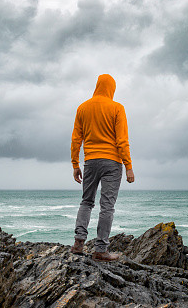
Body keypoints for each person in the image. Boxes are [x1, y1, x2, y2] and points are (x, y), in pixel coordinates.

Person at [70, 74, 134, 262]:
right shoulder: (117, 108)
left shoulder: (83, 107)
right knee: (107, 206)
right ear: (111, 88)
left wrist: (75, 164)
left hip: (90, 161)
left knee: (86, 201)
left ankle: (78, 244)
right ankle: (100, 250)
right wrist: (128, 166)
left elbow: (76, 139)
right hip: (112, 163)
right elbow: (122, 140)